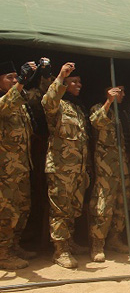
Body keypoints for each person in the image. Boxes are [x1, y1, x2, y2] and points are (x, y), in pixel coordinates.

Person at [41, 62, 90, 268]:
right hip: (60, 168)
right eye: (74, 81)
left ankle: (68, 242)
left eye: (79, 81)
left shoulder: (77, 109)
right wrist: (61, 76)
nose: (78, 84)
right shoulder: (57, 105)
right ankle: (60, 251)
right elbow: (48, 100)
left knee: (73, 209)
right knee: (60, 210)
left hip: (77, 169)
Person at [0, 60, 41, 270]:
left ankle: (14, 246)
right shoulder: (4, 101)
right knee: (7, 212)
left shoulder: (19, 101)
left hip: (21, 166)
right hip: (4, 170)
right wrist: (21, 83)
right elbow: (5, 106)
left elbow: (34, 97)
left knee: (22, 208)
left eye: (17, 77)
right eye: (10, 77)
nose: (14, 81)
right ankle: (3, 253)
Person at [88, 86, 130, 262]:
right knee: (103, 205)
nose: (122, 94)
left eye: (122, 91)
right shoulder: (99, 108)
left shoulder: (121, 114)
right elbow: (96, 121)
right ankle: (97, 244)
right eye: (119, 90)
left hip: (122, 165)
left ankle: (115, 238)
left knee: (122, 204)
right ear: (108, 91)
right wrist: (109, 102)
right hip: (105, 166)